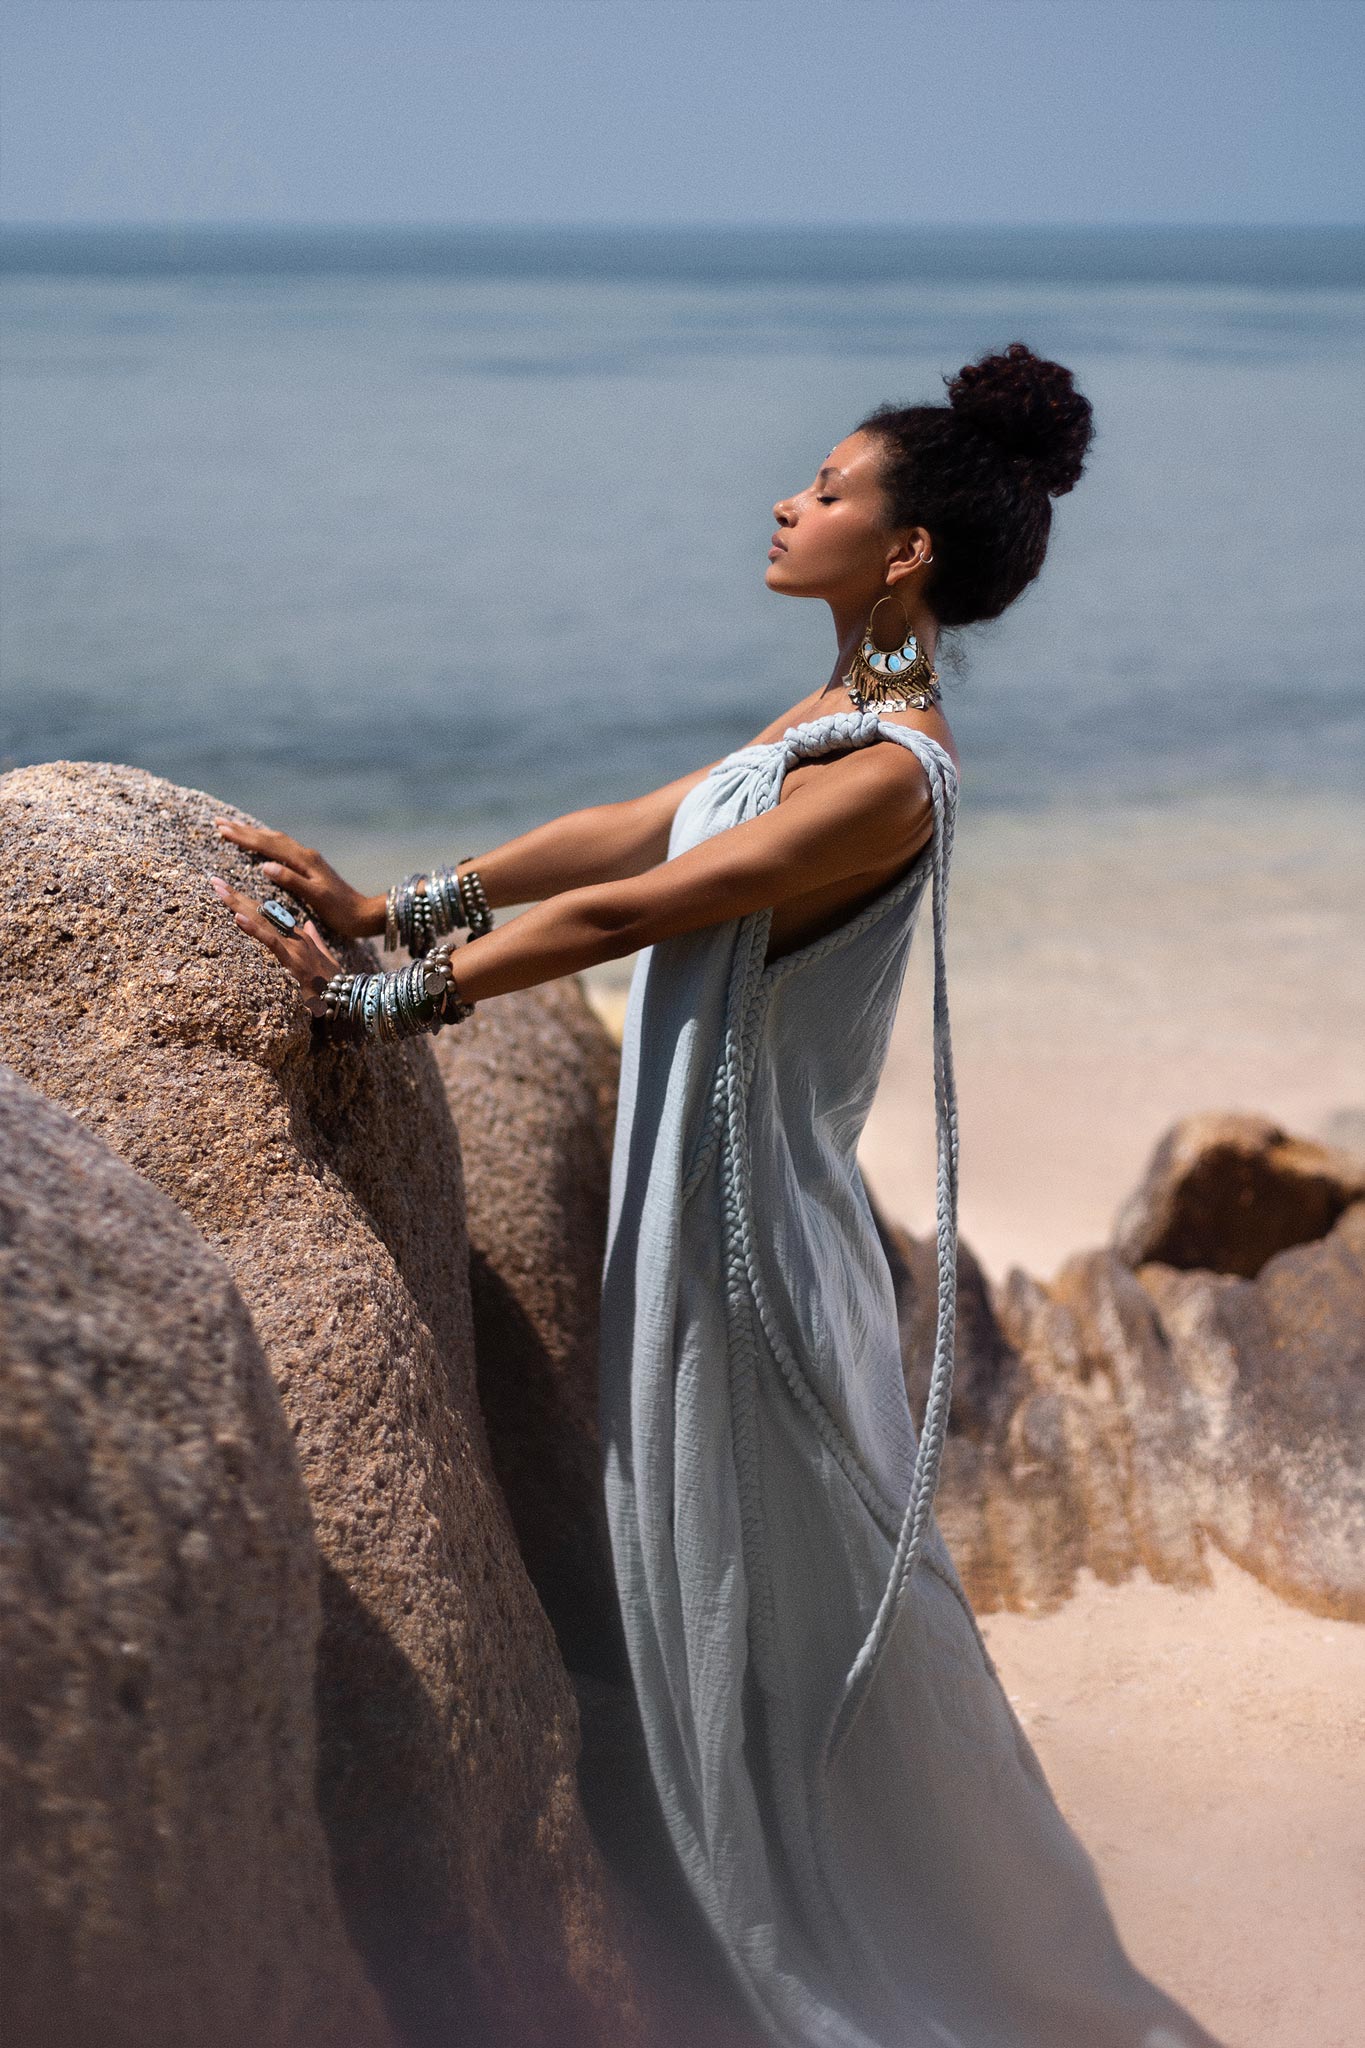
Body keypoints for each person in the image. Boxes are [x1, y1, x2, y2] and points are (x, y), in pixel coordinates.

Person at [210, 342, 1226, 2048]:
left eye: (826, 490)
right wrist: (396, 905)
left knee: (820, 1600)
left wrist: (372, 1006)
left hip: (762, 1250)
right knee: (737, 1582)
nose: (785, 499)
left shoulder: (895, 772)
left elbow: (645, 912)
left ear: (903, 552)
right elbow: (633, 829)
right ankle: (775, 1879)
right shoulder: (828, 719)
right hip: (716, 1208)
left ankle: (941, 1957)